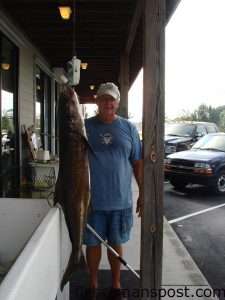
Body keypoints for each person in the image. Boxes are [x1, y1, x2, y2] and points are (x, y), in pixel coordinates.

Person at [83, 82, 142, 300]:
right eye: (103, 98)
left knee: (115, 242)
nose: (107, 102)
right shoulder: (84, 126)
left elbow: (137, 163)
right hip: (91, 200)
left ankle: (116, 286)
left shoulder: (129, 128)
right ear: (97, 101)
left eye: (111, 99)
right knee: (92, 243)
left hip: (120, 200)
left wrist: (143, 193)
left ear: (117, 102)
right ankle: (93, 285)